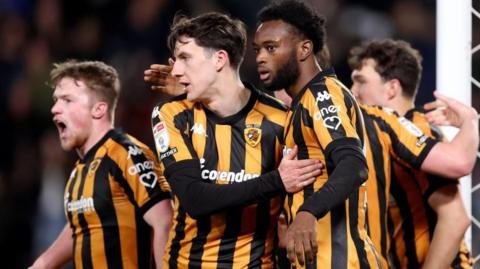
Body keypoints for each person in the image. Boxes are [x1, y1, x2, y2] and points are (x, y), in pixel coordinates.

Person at [150, 12, 322, 268]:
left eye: (185, 58)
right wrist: (277, 181)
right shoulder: (171, 114)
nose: (175, 70)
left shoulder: (280, 120)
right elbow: (194, 199)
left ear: (220, 59)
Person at [29, 60, 173, 269]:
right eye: (56, 100)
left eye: (67, 100)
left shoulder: (127, 154)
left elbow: (164, 220)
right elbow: (84, 224)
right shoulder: (78, 173)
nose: (55, 109)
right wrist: (42, 264)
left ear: (98, 109)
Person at [348, 39, 475, 269]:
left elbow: (455, 219)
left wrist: (470, 120)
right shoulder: (382, 138)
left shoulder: (419, 129)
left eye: (361, 82)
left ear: (392, 88)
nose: (352, 92)